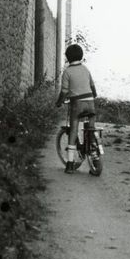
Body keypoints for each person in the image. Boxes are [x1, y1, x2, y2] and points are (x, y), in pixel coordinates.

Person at [55, 44, 97, 173]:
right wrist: (94, 95)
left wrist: (59, 102)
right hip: (90, 102)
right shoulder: (85, 69)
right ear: (81, 56)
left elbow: (64, 91)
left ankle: (70, 163)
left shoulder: (67, 71)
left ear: (67, 58)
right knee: (91, 128)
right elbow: (92, 86)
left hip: (77, 104)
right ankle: (95, 154)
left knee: (73, 129)